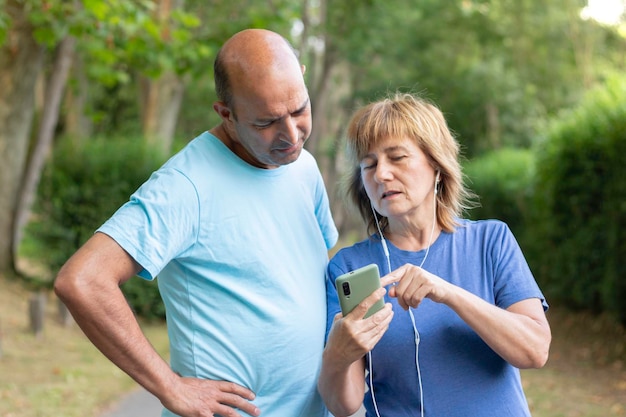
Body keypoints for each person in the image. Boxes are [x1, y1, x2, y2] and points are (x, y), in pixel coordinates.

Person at [54, 29, 338, 417]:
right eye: (266, 122)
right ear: (226, 114)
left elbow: (314, 277)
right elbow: (82, 281)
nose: (291, 135)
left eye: (299, 110)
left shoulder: (304, 167)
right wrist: (169, 387)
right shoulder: (184, 187)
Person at [318, 92, 551, 417]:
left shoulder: (491, 240)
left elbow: (536, 350)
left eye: (397, 157)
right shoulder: (348, 267)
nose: (381, 174)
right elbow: (345, 404)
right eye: (368, 164)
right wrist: (338, 353)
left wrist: (448, 293)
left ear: (437, 167)